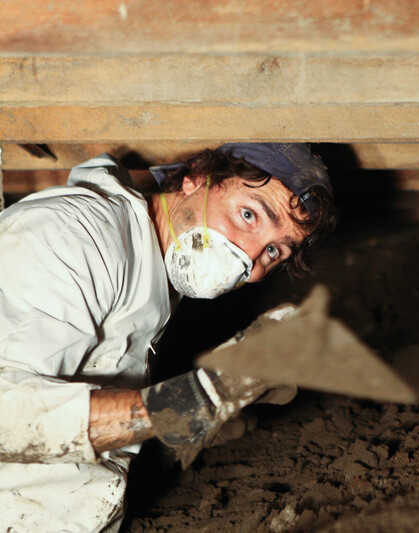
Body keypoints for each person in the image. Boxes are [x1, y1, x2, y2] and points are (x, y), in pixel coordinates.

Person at [0, 143, 337, 532]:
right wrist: (197, 400)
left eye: (273, 251)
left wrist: (175, 441)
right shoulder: (79, 236)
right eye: (248, 215)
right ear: (196, 180)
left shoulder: (155, 272)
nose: (249, 257)